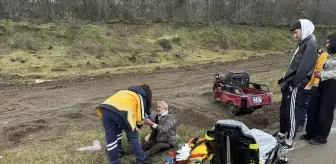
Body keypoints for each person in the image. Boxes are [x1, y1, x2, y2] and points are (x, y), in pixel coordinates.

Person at [274, 19, 318, 150]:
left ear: (304, 29)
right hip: (289, 82)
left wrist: (294, 82)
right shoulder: (302, 43)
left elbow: (304, 68)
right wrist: (284, 79)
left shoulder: (310, 44)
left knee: (292, 111)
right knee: (284, 109)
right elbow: (293, 64)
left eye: (296, 32)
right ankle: (282, 133)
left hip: (296, 84)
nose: (294, 36)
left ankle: (289, 141)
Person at [96, 84, 153, 164]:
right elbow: (140, 117)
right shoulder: (140, 96)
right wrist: (137, 126)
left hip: (105, 109)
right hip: (122, 112)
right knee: (134, 136)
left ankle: (115, 160)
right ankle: (140, 159)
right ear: (147, 93)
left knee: (111, 137)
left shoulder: (125, 92)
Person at [301, 33, 336, 145]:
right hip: (321, 83)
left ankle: (321, 137)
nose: (326, 44)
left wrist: (323, 74)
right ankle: (310, 132)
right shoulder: (329, 55)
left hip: (332, 85)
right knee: (313, 108)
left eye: (329, 42)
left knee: (325, 112)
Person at [296, 48, 329, 131]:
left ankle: (302, 123)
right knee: (303, 104)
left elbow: (319, 70)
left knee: (305, 105)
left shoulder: (323, 57)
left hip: (312, 85)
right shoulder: (313, 59)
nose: (318, 54)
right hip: (308, 84)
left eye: (319, 53)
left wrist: (315, 83)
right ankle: (301, 123)